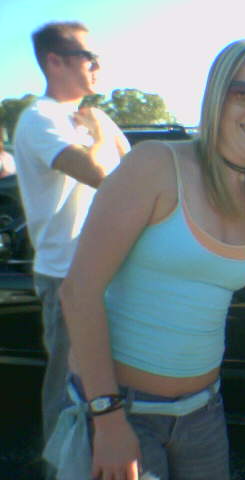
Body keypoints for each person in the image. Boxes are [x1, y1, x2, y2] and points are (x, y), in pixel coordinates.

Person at [50, 40, 245, 480]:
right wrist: (107, 418)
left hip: (203, 411)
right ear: (216, 98)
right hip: (125, 409)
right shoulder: (157, 165)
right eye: (244, 94)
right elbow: (78, 291)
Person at [12, 21, 130, 462]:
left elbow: (131, 173)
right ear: (55, 61)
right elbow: (99, 173)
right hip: (67, 278)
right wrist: (99, 131)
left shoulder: (92, 117)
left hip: (111, 271)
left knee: (108, 391)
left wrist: (102, 127)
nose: (98, 65)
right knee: (70, 395)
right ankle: (60, 469)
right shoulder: (40, 118)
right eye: (88, 56)